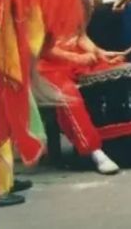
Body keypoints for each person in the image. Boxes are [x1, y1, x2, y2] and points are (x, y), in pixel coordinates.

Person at [37, 31, 123, 175]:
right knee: (69, 94)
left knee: (117, 70)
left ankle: (122, 140)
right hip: (46, 65)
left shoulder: (78, 8)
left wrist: (98, 53)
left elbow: (80, 36)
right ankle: (94, 151)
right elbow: (41, 48)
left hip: (75, 59)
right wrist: (77, 57)